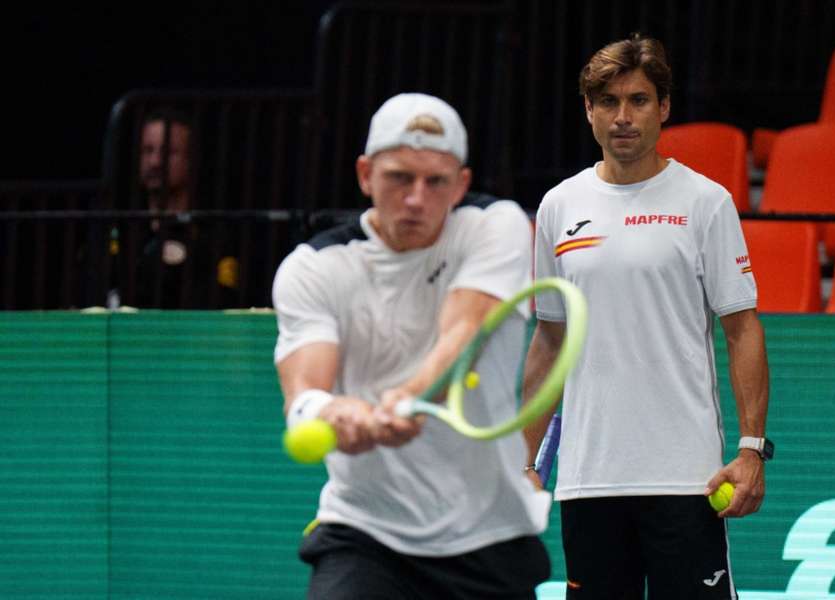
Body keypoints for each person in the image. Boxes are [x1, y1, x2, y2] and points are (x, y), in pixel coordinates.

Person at [272, 93, 552, 599]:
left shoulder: (497, 226)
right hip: (364, 535)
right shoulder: (313, 267)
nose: (417, 198)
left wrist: (407, 398)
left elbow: (462, 335)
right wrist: (335, 413)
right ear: (365, 174)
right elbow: (303, 396)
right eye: (400, 177)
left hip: (489, 537)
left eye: (436, 181)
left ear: (461, 184)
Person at [522, 34, 772, 599]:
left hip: (688, 480)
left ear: (664, 108)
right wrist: (523, 460)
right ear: (589, 111)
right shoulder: (558, 206)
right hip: (587, 481)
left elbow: (742, 328)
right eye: (608, 102)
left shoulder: (706, 202)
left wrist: (752, 448)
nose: (623, 116)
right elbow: (549, 339)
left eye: (638, 100)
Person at [111, 107, 239, 308]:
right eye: (148, 151)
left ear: (191, 160)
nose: (155, 162)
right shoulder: (121, 230)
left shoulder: (213, 236)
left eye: (168, 152)